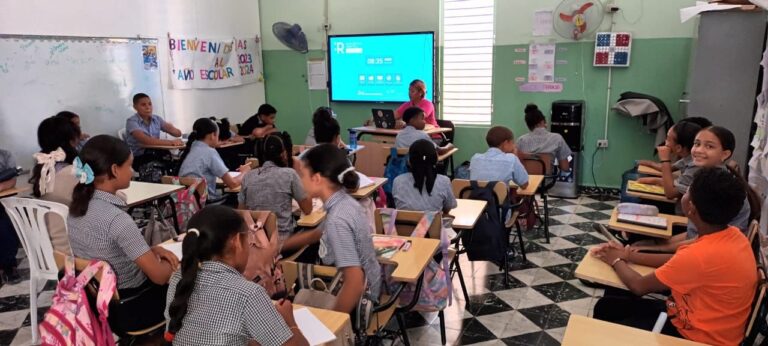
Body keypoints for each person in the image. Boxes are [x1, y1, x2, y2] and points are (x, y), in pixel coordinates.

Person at [590, 167, 757, 345]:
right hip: (705, 323)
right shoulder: (733, 235)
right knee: (607, 306)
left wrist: (615, 260)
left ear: (691, 207)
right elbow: (675, 261)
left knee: (607, 315)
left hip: (695, 337)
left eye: (688, 191)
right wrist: (627, 255)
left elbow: (639, 286)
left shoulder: (699, 255)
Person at [67, 135, 179, 332]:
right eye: (129, 165)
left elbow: (111, 252)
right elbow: (160, 277)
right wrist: (185, 261)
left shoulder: (76, 209)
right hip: (134, 308)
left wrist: (151, 250)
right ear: (114, 170)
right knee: (195, 281)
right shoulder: (116, 219)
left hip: (98, 303)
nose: (133, 171)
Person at [164, 206, 308, 346]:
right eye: (248, 239)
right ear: (237, 241)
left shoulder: (178, 280)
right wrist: (290, 322)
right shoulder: (248, 294)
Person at [632, 126, 758, 252]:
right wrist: (659, 244)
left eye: (709, 146)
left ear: (725, 154)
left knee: (634, 247)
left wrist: (658, 249)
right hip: (697, 246)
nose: (698, 150)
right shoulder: (706, 178)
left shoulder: (719, 188)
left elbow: (702, 241)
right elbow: (693, 233)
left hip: (711, 253)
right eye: (696, 144)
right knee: (637, 242)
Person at [297, 144, 381, 312]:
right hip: (371, 282)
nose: (300, 180)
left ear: (317, 179)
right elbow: (318, 233)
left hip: (362, 300)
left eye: (303, 175)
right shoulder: (344, 201)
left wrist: (334, 325)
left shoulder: (338, 219)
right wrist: (281, 245)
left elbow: (355, 282)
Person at [238, 133, 314, 251]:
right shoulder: (290, 174)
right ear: (284, 154)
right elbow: (308, 209)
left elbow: (241, 212)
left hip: (255, 243)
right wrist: (302, 177)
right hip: (282, 245)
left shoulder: (248, 177)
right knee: (315, 232)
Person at [29, 116, 81, 253]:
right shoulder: (74, 174)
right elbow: (115, 201)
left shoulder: (36, 171)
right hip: (74, 255)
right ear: (72, 140)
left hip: (43, 252)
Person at [178, 118, 250, 203]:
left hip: (189, 204)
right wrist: (245, 172)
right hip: (208, 205)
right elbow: (232, 184)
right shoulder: (209, 152)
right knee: (242, 198)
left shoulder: (192, 147)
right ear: (213, 135)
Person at [636, 121, 702, 201]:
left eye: (667, 139)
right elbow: (669, 168)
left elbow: (670, 193)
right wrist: (648, 163)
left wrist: (665, 159)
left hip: (682, 212)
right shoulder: (688, 158)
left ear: (678, 148)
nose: (665, 142)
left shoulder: (695, 165)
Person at [393, 139, 457, 215]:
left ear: (409, 161)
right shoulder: (444, 181)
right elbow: (449, 207)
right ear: (436, 160)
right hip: (433, 226)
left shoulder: (398, 181)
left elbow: (396, 204)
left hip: (403, 226)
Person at [125, 93, 184, 169]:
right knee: (167, 164)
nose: (148, 107)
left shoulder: (157, 119)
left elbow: (178, 134)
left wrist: (170, 128)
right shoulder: (132, 121)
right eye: (143, 105)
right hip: (139, 158)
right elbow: (146, 141)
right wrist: (171, 143)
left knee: (177, 162)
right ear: (135, 107)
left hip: (156, 154)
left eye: (150, 104)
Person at [516, 104, 572, 172]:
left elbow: (517, 165)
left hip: (528, 181)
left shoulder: (521, 140)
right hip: (547, 180)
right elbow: (564, 167)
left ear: (528, 125)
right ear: (542, 121)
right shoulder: (557, 138)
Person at [0, 149, 21, 284]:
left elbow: (12, 180)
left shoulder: (5, 155)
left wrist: (1, 186)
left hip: (3, 202)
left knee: (4, 224)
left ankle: (9, 265)